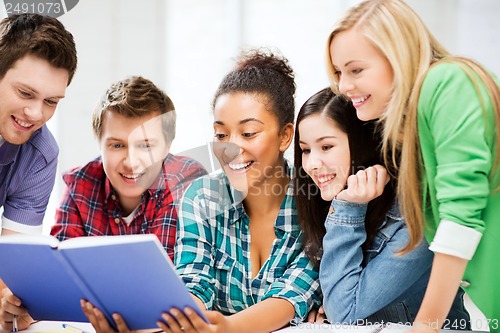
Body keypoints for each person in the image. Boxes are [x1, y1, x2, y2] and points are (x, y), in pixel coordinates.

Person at [82, 49, 322, 333]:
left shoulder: (315, 200)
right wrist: (168, 323)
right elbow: (194, 280)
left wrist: (226, 328)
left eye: (248, 134)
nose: (230, 148)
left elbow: (293, 294)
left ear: (285, 136)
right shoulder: (201, 197)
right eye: (221, 135)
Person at [325, 0, 500, 332]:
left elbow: (461, 218)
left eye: (356, 69)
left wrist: (425, 328)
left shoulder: (447, 81)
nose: (343, 86)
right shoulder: (412, 129)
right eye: (338, 73)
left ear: (398, 56)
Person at [0, 76, 207, 332]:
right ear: (100, 143)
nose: (131, 162)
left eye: (146, 145)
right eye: (117, 145)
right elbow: (60, 280)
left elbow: (168, 290)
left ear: (167, 146)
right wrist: (27, 308)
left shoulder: (185, 182)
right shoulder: (81, 182)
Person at [294, 87, 469, 326]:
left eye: (326, 147)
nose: (312, 164)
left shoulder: (414, 219)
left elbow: (343, 314)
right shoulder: (324, 202)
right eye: (305, 150)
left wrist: (348, 210)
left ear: (362, 143)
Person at [0, 13, 77, 236]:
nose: (35, 114)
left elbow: (12, 258)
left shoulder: (39, 156)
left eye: (51, 101)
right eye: (25, 93)